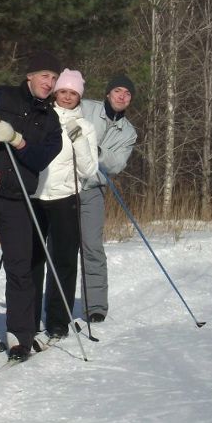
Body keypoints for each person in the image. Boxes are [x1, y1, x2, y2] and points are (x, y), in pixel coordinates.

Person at [0, 51, 62, 363]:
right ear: (30, 75)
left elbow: (39, 159)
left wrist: (17, 139)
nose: (50, 82)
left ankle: (21, 335)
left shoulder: (51, 120)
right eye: (45, 75)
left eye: (54, 78)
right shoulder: (1, 96)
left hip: (19, 199)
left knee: (20, 267)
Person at [32, 69, 99, 340]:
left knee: (64, 261)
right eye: (63, 91)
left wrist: (79, 140)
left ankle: (59, 319)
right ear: (55, 93)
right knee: (31, 261)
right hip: (35, 196)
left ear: (79, 96)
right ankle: (29, 316)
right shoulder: (40, 117)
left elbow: (90, 170)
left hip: (65, 198)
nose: (68, 97)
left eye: (73, 93)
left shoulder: (85, 126)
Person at [78, 73, 138, 323]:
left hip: (92, 190)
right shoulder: (86, 108)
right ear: (108, 93)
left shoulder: (129, 132)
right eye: (117, 91)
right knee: (56, 247)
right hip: (63, 185)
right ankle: (55, 305)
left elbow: (116, 163)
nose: (122, 96)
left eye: (127, 94)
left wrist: (94, 149)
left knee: (92, 246)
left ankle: (95, 306)